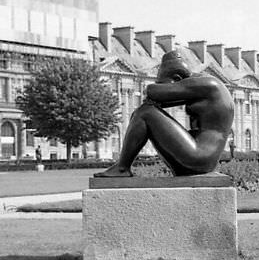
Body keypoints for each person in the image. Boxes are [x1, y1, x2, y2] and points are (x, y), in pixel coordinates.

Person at [95, 50, 234, 177]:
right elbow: (158, 100)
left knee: (145, 113)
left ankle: (122, 168)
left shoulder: (209, 84)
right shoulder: (201, 90)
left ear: (178, 78)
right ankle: (122, 167)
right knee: (142, 112)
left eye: (164, 83)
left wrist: (157, 90)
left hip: (199, 157)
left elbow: (152, 92)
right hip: (198, 158)